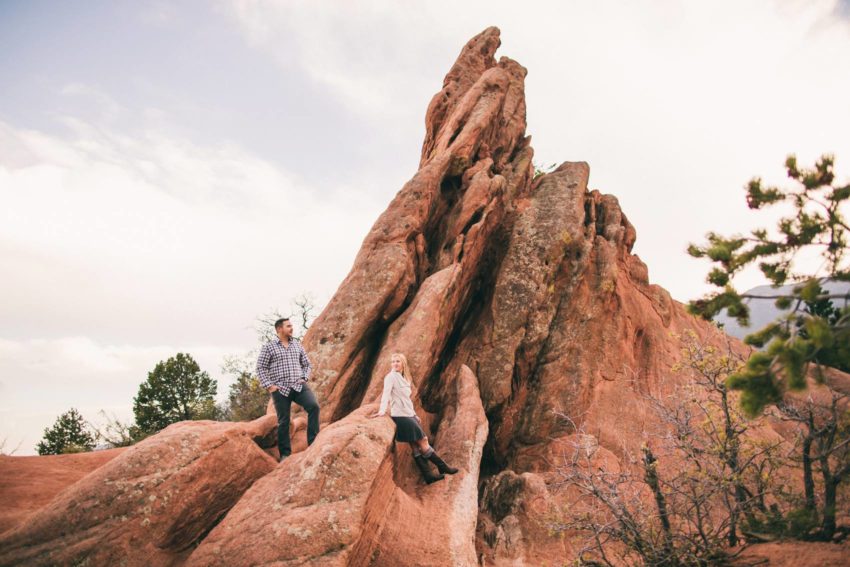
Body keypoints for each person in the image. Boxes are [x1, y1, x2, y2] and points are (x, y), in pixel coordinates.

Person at [369, 353, 457, 484]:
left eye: (397, 361)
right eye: (392, 362)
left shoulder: (404, 378)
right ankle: (443, 467)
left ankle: (428, 476)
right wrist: (382, 411)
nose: (394, 364)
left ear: (403, 363)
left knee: (415, 446)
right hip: (400, 415)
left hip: (408, 414)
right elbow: (386, 394)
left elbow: (406, 400)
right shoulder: (391, 377)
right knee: (423, 440)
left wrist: (414, 414)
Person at [256, 317, 319, 462]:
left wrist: (304, 377)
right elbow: (260, 368)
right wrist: (270, 386)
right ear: (279, 329)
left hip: (298, 386)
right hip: (280, 389)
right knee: (283, 421)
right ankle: (285, 454)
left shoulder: (297, 345)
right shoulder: (269, 347)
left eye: (291, 326)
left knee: (313, 407)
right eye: (288, 326)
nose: (292, 328)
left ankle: (313, 443)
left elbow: (307, 364)